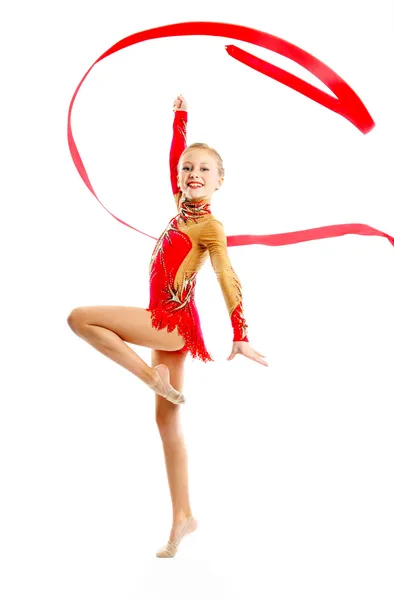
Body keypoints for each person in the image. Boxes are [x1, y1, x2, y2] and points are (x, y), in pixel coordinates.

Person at [67, 94, 268, 558]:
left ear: (220, 182)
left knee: (81, 318)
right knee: (167, 424)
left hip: (170, 323)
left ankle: (148, 376)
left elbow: (226, 277)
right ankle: (183, 516)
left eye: (204, 170)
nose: (193, 174)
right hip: (168, 324)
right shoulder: (180, 207)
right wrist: (180, 119)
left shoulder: (210, 227)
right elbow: (174, 157)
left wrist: (240, 333)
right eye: (186, 169)